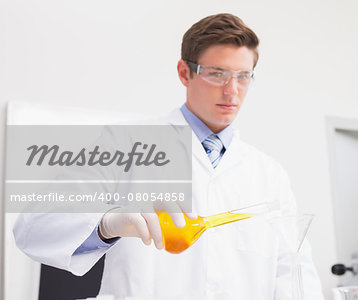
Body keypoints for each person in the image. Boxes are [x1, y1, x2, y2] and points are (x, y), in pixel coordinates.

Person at [13, 13, 324, 299]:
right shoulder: (122, 144)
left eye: (244, 76)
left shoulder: (269, 174)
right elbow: (32, 225)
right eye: (217, 73)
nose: (233, 91)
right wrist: (106, 224)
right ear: (184, 72)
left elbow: (293, 272)